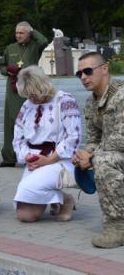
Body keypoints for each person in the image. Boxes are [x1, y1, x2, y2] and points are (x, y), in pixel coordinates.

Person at [12, 66, 81, 222]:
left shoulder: (64, 101)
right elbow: (18, 137)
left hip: (59, 159)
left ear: (42, 85)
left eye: (33, 94)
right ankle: (60, 198)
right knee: (25, 215)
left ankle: (66, 202)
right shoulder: (26, 105)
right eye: (27, 95)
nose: (31, 99)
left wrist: (49, 160)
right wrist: (27, 157)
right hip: (35, 161)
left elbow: (74, 137)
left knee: (26, 189)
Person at [72, 52, 124, 248]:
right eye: (79, 74)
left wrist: (92, 157)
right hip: (115, 152)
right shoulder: (91, 102)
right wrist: (84, 154)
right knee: (97, 158)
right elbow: (94, 139)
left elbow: (121, 139)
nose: (83, 77)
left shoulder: (121, 95)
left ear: (104, 69)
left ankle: (118, 227)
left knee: (102, 162)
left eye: (87, 71)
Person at [0, 21, 48, 167]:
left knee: (30, 121)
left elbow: (44, 40)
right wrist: (8, 70)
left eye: (22, 33)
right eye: (17, 33)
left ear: (29, 33)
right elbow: (2, 66)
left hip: (31, 88)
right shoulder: (10, 48)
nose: (18, 35)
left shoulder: (35, 46)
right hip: (13, 89)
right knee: (10, 122)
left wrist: (32, 30)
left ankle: (30, 155)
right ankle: (9, 157)